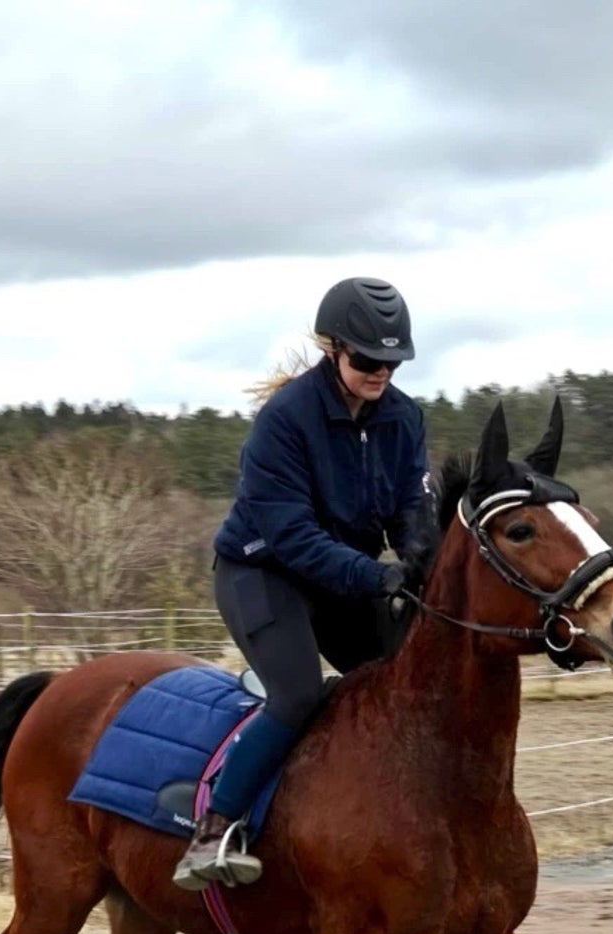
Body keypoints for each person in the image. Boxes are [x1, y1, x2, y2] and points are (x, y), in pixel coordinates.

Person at [173, 276, 434, 891]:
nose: (382, 373)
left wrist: (424, 566)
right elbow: (291, 538)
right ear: (333, 349)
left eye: (393, 362)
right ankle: (213, 829)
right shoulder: (284, 421)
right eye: (368, 360)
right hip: (263, 573)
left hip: (343, 574)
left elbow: (408, 515)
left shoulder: (403, 418)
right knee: (297, 698)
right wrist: (377, 576)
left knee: (413, 674)